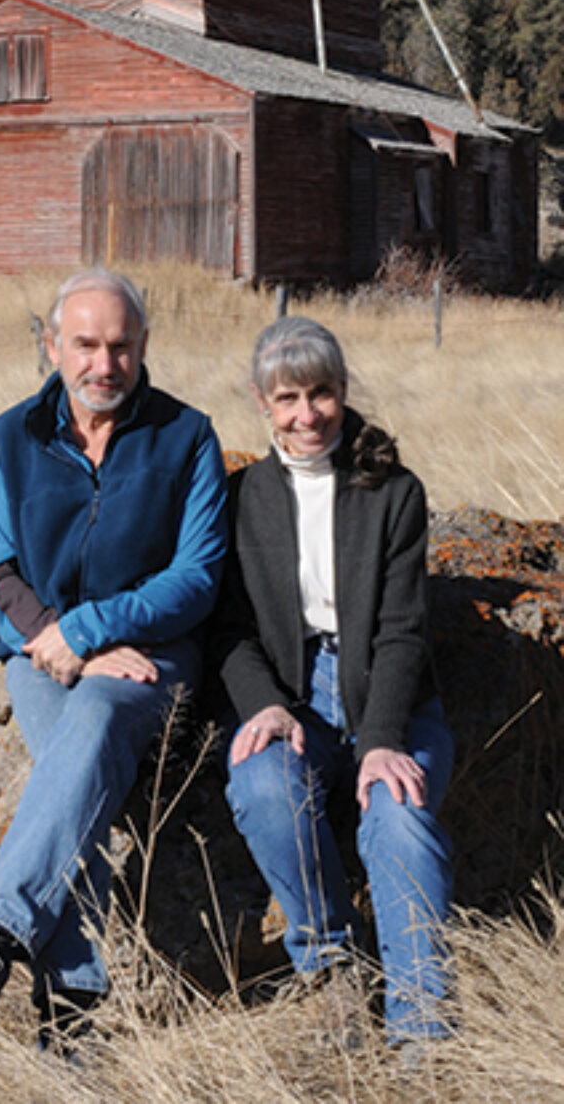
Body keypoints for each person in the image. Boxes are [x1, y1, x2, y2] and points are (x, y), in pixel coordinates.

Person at [0, 267, 227, 1038]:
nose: (104, 363)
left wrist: (90, 632)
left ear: (144, 346)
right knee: (76, 755)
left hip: (152, 657)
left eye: (121, 345)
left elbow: (197, 578)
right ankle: (69, 1012)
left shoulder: (186, 437)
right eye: (85, 344)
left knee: (88, 724)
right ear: (53, 345)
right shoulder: (14, 436)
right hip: (39, 655)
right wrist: (65, 641)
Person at [212, 315, 454, 1050]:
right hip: (291, 697)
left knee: (398, 812)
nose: (306, 413)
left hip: (390, 692)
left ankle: (423, 1034)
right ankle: (335, 966)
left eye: (320, 392)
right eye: (288, 397)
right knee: (260, 783)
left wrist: (382, 739)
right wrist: (266, 705)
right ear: (261, 400)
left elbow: (404, 628)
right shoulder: (240, 496)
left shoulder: (392, 490)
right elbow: (228, 630)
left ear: (342, 391)